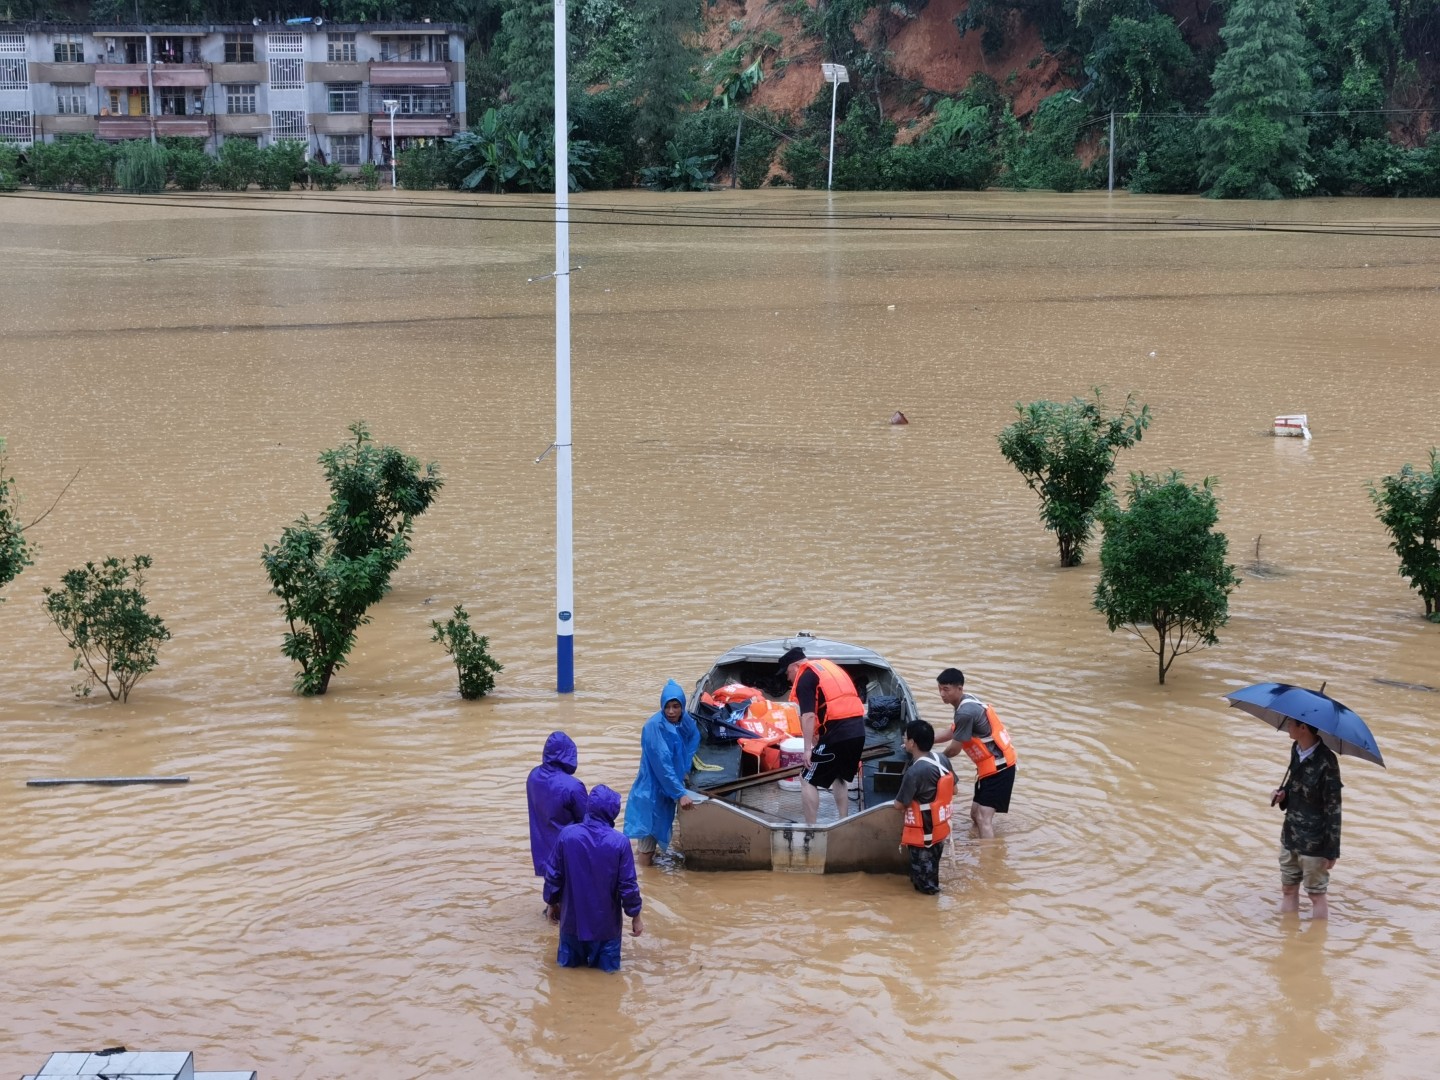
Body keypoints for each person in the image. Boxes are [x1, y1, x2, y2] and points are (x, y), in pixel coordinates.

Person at [543, 785, 643, 972]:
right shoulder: (620, 842)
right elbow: (628, 886)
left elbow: (553, 876)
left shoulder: (567, 835)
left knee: (565, 976)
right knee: (609, 979)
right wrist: (635, 916)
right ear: (612, 812)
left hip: (571, 924)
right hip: (606, 929)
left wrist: (551, 903)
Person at [780, 646, 867, 826]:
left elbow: (808, 716)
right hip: (858, 731)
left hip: (838, 734)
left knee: (806, 778)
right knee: (838, 776)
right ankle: (843, 822)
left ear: (795, 666)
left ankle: (811, 829)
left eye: (787, 672)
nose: (788, 678)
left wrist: (807, 750)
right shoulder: (828, 668)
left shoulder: (805, 678)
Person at [622, 679, 700, 866]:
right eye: (667, 707)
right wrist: (680, 793)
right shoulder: (654, 727)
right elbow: (662, 765)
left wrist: (685, 768)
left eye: (676, 706)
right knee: (647, 844)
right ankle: (644, 877)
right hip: (652, 791)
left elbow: (694, 737)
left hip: (668, 787)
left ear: (682, 706)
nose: (671, 712)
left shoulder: (684, 721)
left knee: (653, 835)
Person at [934, 668, 1018, 839]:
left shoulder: (965, 712)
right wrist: (924, 740)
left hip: (1000, 768)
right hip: (990, 767)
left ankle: (989, 854)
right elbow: (953, 731)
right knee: (975, 815)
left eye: (946, 689)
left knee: (983, 817)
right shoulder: (967, 702)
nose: (942, 694)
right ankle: (978, 845)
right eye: (940, 689)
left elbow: (954, 749)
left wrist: (936, 759)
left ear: (959, 688)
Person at [1273, 718, 1342, 920]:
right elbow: (1293, 785)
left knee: (1316, 895)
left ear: (1303, 727)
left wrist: (1331, 851)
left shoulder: (1327, 761)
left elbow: (1334, 809)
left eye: (1291, 723)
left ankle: (1318, 937)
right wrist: (1282, 795)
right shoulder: (1296, 749)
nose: (1287, 726)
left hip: (1314, 842)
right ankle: (1287, 935)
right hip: (1290, 835)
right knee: (1288, 889)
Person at [893, 719, 956, 894]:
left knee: (925, 889)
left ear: (912, 743)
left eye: (905, 737)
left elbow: (899, 805)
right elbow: (955, 790)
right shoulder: (942, 759)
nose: (904, 740)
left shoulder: (914, 772)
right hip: (939, 833)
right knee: (931, 878)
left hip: (922, 838)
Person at [526, 730, 588, 877]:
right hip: (568, 856)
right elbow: (588, 821)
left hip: (543, 855)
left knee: (551, 889)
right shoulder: (573, 786)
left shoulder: (533, 776)